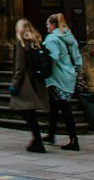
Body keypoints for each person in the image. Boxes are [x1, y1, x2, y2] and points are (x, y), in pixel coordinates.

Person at [9, 17, 50, 152]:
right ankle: (36, 140)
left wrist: (15, 84)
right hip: (36, 80)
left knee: (26, 112)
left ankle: (37, 141)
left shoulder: (21, 43)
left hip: (26, 82)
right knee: (29, 112)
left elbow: (19, 67)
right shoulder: (36, 41)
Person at [44, 13, 81, 149]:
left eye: (48, 24)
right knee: (54, 106)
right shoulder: (67, 35)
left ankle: (73, 140)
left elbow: (52, 57)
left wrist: (42, 70)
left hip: (57, 77)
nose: (47, 27)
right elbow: (76, 53)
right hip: (68, 74)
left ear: (53, 25)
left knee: (65, 109)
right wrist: (78, 66)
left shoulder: (52, 38)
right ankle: (51, 134)